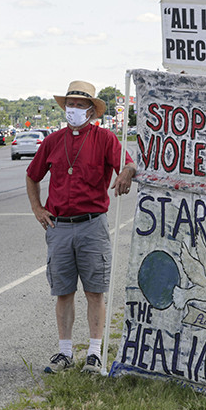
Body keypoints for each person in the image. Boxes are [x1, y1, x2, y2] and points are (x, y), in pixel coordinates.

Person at [25, 80, 137, 374]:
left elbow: (127, 163)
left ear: (91, 110)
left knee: (94, 291)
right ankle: (64, 352)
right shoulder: (52, 141)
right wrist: (37, 208)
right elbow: (32, 175)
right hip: (59, 226)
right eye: (70, 104)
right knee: (63, 292)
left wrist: (126, 172)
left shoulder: (104, 138)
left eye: (79, 105)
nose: (73, 109)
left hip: (92, 225)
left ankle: (94, 352)